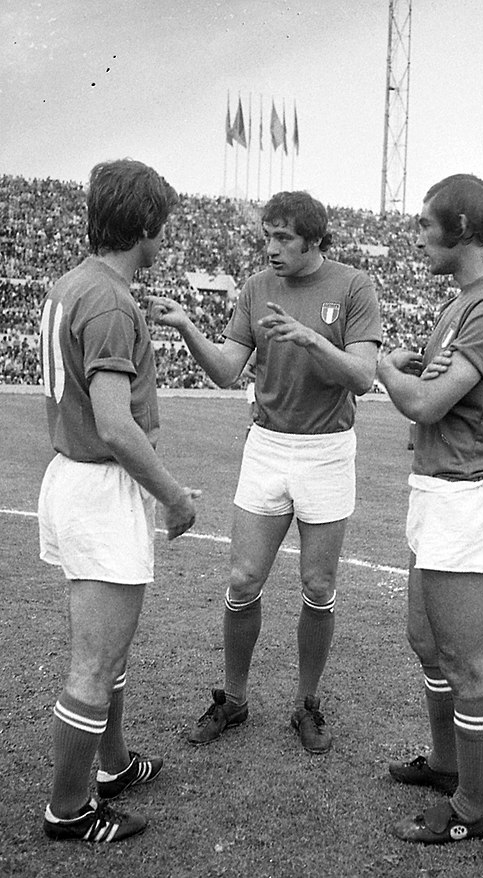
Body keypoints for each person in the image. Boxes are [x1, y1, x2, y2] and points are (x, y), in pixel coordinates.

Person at [146, 190, 382, 754]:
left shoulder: (354, 287)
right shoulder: (255, 288)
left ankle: (307, 705)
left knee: (318, 586)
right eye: (267, 237)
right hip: (267, 447)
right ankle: (233, 698)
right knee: (242, 580)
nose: (271, 248)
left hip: (327, 452)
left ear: (314, 240)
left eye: (283, 238)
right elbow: (229, 370)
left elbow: (363, 376)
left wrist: (311, 340)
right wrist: (185, 327)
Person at [377, 174, 483, 845]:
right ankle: (448, 765)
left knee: (467, 660)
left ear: (464, 229)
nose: (417, 236)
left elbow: (423, 404)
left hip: (469, 495)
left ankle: (473, 807)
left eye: (425, 224)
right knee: (427, 641)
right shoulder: (466, 300)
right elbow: (439, 390)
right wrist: (415, 368)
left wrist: (385, 368)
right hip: (440, 488)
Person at [38, 159, 199, 843]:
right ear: (143, 224)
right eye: (161, 223)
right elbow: (113, 421)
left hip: (77, 481)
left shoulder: (74, 282)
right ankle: (68, 811)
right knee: (96, 661)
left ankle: (112, 767)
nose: (165, 236)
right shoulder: (108, 299)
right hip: (99, 486)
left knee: (110, 651)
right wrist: (173, 496)